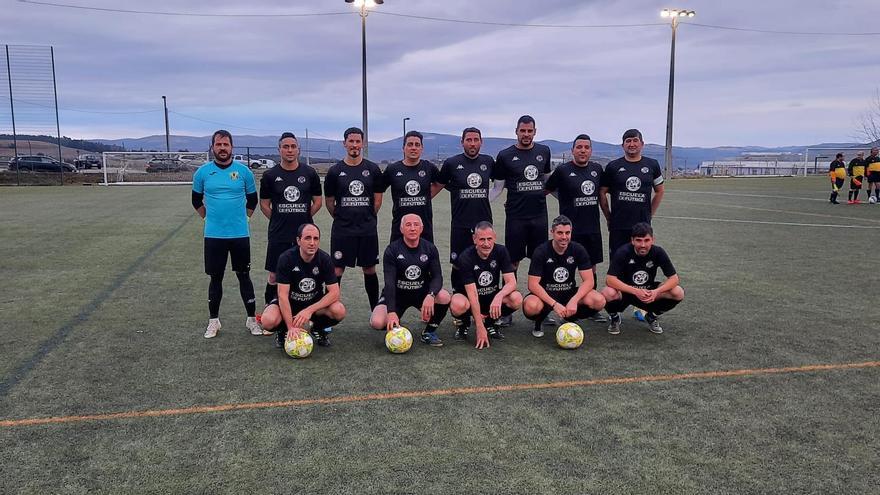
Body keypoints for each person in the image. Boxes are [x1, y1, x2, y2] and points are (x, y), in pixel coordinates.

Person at [191, 130, 264, 339]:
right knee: (216, 278)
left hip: (240, 235)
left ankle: (251, 320)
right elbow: (196, 201)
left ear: (232, 147)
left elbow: (252, 201)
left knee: (244, 276)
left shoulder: (244, 172)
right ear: (212, 147)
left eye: (226, 144)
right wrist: (207, 219)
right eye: (218, 144)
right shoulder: (203, 173)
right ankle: (214, 321)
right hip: (214, 236)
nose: (222, 148)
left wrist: (245, 220)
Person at [435, 127, 497, 328]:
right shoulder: (452, 163)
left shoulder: (488, 162)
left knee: (487, 263)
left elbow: (501, 184)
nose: (472, 143)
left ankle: (488, 309)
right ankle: (459, 304)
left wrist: (500, 199)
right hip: (460, 224)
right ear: (462, 142)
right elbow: (439, 185)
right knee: (458, 263)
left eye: (475, 140)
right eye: (468, 140)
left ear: (481, 142)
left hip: (484, 224)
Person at [323, 127, 384, 310]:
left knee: (369, 269)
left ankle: (375, 310)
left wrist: (367, 216)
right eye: (351, 141)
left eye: (358, 141)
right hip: (343, 229)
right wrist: (342, 217)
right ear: (345, 143)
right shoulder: (335, 171)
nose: (355, 145)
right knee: (337, 270)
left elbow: (378, 199)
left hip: (367, 229)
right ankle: (327, 313)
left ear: (363, 144)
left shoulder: (372, 169)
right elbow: (329, 201)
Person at [259, 132, 322, 305]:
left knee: (308, 271)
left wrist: (305, 218)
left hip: (304, 236)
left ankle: (310, 312)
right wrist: (278, 218)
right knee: (274, 274)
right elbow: (264, 204)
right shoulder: (270, 176)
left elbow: (318, 201)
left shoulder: (309, 173)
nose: (290, 150)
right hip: (279, 234)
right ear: (279, 150)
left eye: (293, 146)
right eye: (285, 146)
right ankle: (269, 309)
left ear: (298, 150)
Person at [370, 214, 451, 347]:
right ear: (401, 229)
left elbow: (437, 277)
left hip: (422, 294)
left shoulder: (430, 248)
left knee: (444, 296)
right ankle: (395, 324)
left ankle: (429, 332)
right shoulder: (392, 250)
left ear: (421, 228)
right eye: (408, 225)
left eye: (416, 225)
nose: (412, 228)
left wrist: (431, 295)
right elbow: (389, 283)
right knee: (377, 322)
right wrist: (391, 312)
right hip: (397, 295)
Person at [260, 224, 346, 349]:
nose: (312, 243)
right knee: (268, 320)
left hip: (313, 304)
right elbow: (282, 296)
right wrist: (291, 328)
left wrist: (309, 310)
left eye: (316, 239)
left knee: (339, 310)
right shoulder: (286, 258)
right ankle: (283, 331)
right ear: (298, 241)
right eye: (307, 238)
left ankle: (317, 328)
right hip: (289, 303)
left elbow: (334, 293)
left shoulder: (324, 259)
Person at [522, 215, 606, 338]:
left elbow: (589, 281)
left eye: (567, 233)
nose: (564, 237)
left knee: (599, 300)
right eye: (560, 233)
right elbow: (532, 284)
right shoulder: (541, 251)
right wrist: (554, 304)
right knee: (531, 306)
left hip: (568, 292)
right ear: (552, 233)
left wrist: (574, 300)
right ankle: (539, 321)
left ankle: (570, 317)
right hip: (546, 293)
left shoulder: (578, 249)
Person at [545, 134, 605, 294]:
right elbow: (545, 190)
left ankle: (591, 304)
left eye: (586, 147)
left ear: (591, 151)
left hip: (592, 228)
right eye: (579, 147)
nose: (583, 150)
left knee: (591, 267)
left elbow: (603, 193)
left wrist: (610, 217)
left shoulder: (597, 169)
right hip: (569, 231)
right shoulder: (562, 170)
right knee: (564, 266)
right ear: (572, 150)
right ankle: (560, 302)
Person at [601, 222, 684, 335]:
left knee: (678, 292)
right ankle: (614, 317)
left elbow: (674, 279)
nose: (643, 245)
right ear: (632, 240)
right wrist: (635, 291)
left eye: (646, 240)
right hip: (626, 292)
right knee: (607, 292)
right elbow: (610, 279)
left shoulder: (658, 252)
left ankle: (652, 316)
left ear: (652, 240)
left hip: (648, 292)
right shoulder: (623, 252)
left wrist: (656, 292)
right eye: (639, 240)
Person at [449, 221, 523, 349]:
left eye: (489, 239)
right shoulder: (465, 257)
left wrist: (499, 296)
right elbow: (472, 295)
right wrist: (479, 327)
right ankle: (465, 324)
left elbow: (512, 282)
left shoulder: (501, 251)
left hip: (491, 297)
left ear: (494, 237)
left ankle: (490, 323)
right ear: (474, 239)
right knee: (457, 304)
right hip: (469, 299)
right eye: (482, 239)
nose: (486, 244)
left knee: (516, 298)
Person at [492, 115, 552, 270]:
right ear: (516, 132)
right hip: (516, 217)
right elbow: (497, 188)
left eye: (529, 131)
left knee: (539, 259)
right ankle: (509, 293)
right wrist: (480, 201)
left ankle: (538, 294)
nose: (526, 134)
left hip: (539, 216)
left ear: (535, 132)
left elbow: (548, 183)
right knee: (512, 260)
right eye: (523, 130)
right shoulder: (505, 155)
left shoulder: (544, 151)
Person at [599, 129, 665, 257]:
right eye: (628, 141)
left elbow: (660, 191)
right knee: (617, 261)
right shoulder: (613, 166)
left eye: (635, 140)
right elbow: (602, 192)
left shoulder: (652, 165)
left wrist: (649, 214)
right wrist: (609, 217)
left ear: (642, 144)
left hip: (642, 224)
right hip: (618, 225)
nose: (632, 144)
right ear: (622, 145)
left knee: (640, 262)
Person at [383, 130, 441, 243]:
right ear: (403, 148)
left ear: (421, 148)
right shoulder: (393, 169)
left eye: (417, 145)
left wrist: (427, 196)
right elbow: (378, 189)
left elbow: (440, 183)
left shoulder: (429, 168)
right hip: (400, 226)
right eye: (410, 144)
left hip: (424, 226)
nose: (413, 148)